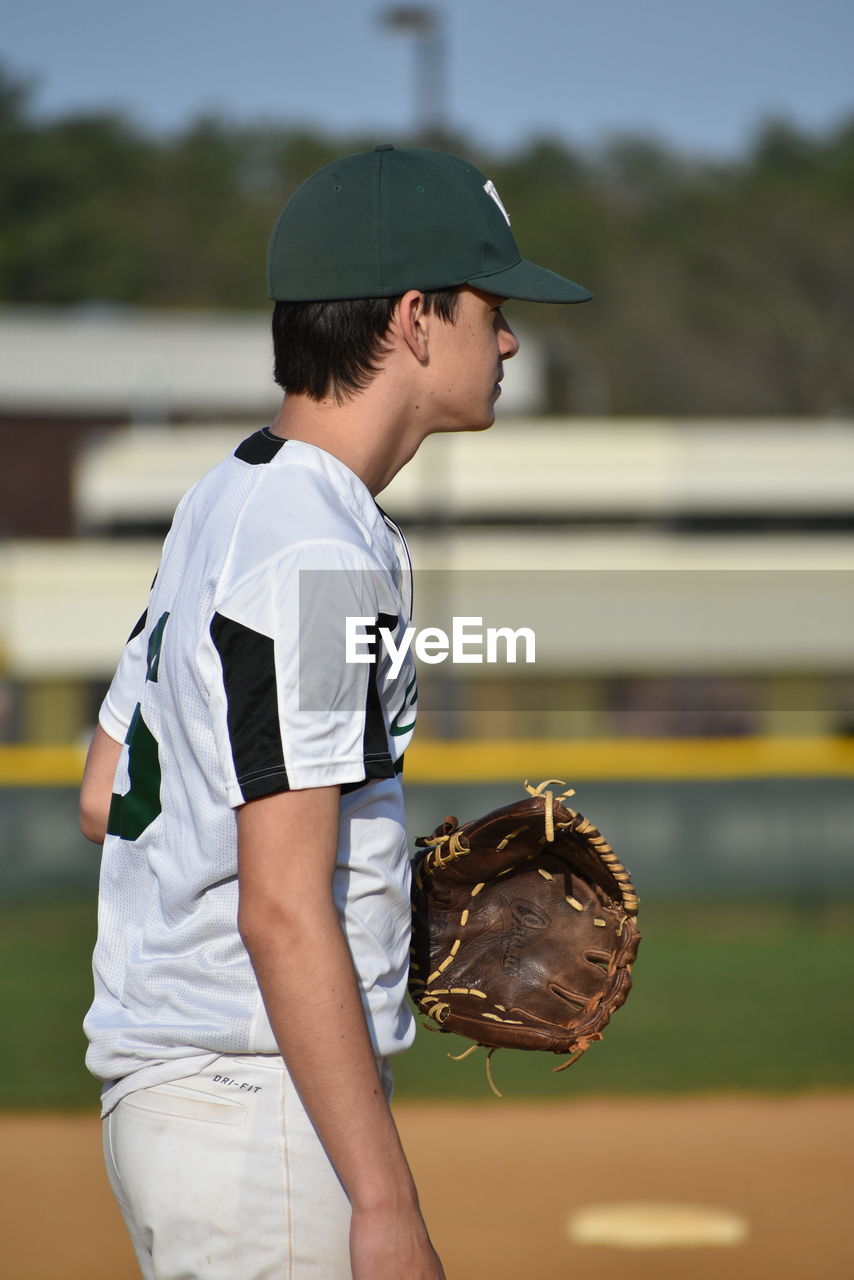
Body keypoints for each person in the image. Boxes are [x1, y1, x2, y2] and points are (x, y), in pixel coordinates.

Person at [80, 144, 591, 1280]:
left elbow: (99, 789)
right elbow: (277, 904)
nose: (506, 339)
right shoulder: (319, 549)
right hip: (260, 1106)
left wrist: (380, 892)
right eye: (489, 307)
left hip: (183, 1097)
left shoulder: (228, 494)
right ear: (414, 317)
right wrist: (382, 1201)